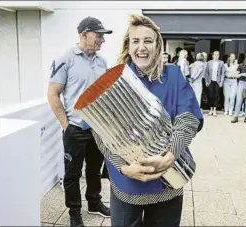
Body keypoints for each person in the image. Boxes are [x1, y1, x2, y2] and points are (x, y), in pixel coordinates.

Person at [91, 14, 204, 227]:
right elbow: (100, 132)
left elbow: (188, 119)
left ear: (157, 45)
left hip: (168, 181)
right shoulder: (113, 80)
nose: (141, 47)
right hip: (126, 184)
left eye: (148, 41)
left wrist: (170, 154)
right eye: (136, 41)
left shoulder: (173, 75)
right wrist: (124, 168)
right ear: (128, 46)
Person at [47, 16, 112, 226]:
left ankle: (94, 202)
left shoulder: (102, 62)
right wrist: (65, 124)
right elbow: (53, 94)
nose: (102, 40)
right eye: (99, 35)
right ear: (84, 35)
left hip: (97, 127)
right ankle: (75, 212)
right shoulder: (65, 59)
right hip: (75, 128)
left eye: (103, 36)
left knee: (94, 169)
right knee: (72, 173)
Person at [205, 50, 224, 116]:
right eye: (215, 54)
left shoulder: (221, 63)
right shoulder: (209, 63)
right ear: (213, 55)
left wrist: (221, 82)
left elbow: (222, 74)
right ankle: (211, 110)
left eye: (218, 54)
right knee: (210, 96)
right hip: (210, 81)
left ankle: (215, 110)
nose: (216, 56)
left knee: (216, 96)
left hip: (217, 82)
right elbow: (206, 73)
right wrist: (206, 81)